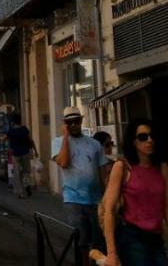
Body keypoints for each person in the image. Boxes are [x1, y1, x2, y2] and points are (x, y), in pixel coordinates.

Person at [100, 119, 168, 266]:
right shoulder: (122, 167)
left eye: (151, 136)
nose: (149, 140)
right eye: (143, 137)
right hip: (132, 238)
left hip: (156, 238)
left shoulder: (162, 167)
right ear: (133, 142)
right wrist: (111, 253)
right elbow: (108, 210)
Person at [53, 106, 107, 260]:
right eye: (70, 122)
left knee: (99, 240)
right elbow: (63, 162)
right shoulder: (58, 142)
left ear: (81, 121)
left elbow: (103, 172)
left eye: (77, 121)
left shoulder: (94, 144)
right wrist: (65, 137)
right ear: (65, 124)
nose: (74, 125)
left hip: (96, 199)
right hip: (73, 199)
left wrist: (106, 198)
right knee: (80, 239)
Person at [5, 112, 36, 198]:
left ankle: (21, 192)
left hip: (16, 154)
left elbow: (4, 138)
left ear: (13, 122)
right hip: (25, 153)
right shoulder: (24, 129)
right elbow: (31, 140)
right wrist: (35, 151)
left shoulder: (11, 131)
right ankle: (27, 185)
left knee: (18, 173)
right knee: (26, 171)